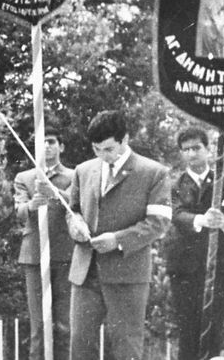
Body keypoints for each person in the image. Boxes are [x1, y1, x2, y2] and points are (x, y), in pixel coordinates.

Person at [66, 110, 171, 360]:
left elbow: (160, 222)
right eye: (96, 149)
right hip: (85, 273)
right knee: (80, 345)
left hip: (127, 275)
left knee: (126, 347)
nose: (103, 155)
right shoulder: (83, 170)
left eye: (109, 149)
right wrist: (76, 226)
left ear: (125, 139)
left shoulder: (154, 172)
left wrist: (118, 240)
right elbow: (73, 212)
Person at [165, 127, 224, 360]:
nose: (191, 153)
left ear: (208, 149)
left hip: (218, 266)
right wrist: (201, 220)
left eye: (196, 148)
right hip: (184, 268)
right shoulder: (175, 185)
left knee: (213, 327)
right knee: (188, 330)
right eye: (186, 150)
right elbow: (177, 215)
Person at [13, 126, 74, 360]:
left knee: (63, 324)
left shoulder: (73, 175)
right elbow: (19, 210)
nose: (46, 147)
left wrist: (55, 192)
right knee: (38, 324)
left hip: (65, 254)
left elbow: (78, 203)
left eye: (51, 141)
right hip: (34, 256)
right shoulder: (25, 178)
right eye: (42, 142)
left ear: (61, 146)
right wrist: (31, 205)